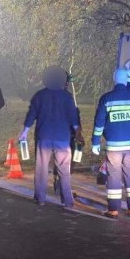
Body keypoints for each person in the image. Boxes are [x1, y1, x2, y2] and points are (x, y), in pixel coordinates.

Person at [20, 66, 82, 208]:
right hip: (63, 138)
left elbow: (31, 115)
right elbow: (73, 117)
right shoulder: (67, 96)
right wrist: (78, 133)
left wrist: (24, 132)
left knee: (41, 169)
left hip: (44, 137)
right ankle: (68, 200)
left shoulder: (39, 95)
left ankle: (40, 198)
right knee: (64, 171)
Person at [92, 69, 130, 218]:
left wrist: (95, 142)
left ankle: (114, 209)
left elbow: (99, 123)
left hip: (114, 146)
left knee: (114, 176)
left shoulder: (106, 98)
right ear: (127, 81)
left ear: (114, 79)